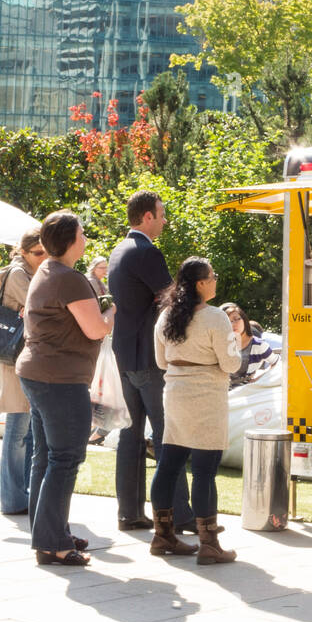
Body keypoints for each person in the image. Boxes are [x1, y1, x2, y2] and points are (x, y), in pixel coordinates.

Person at [17, 210, 115, 566]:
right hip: (60, 377)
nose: (86, 238)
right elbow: (95, 330)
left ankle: (49, 533)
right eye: (83, 233)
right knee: (65, 458)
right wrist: (111, 313)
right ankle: (52, 541)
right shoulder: (69, 278)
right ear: (72, 240)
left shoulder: (45, 271)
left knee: (46, 456)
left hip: (39, 372)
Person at [107, 190, 193, 534]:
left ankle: (129, 512)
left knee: (131, 435)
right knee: (167, 435)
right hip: (148, 359)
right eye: (161, 214)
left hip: (125, 355)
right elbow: (173, 299)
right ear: (147, 217)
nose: (164, 220)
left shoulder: (118, 250)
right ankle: (180, 515)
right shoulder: (145, 251)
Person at [151, 257, 241, 563]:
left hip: (175, 393)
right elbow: (231, 363)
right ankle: (209, 542)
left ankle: (163, 536)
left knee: (169, 465)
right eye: (213, 276)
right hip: (207, 395)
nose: (216, 280)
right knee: (204, 470)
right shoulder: (216, 317)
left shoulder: (165, 316)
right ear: (201, 283)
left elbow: (162, 361)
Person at [0, 227, 45, 516]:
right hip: (16, 357)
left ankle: (21, 493)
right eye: (38, 253)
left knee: (28, 430)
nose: (43, 257)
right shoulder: (19, 275)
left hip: (23, 357)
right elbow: (42, 304)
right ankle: (12, 497)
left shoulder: (27, 272)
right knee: (18, 428)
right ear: (23, 251)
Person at [219, 302, 278, 388]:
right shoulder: (223, 345)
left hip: (247, 392)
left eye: (236, 319)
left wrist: (258, 378)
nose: (233, 324)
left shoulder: (259, 345)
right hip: (223, 390)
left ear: (245, 320)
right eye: (229, 321)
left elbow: (277, 362)